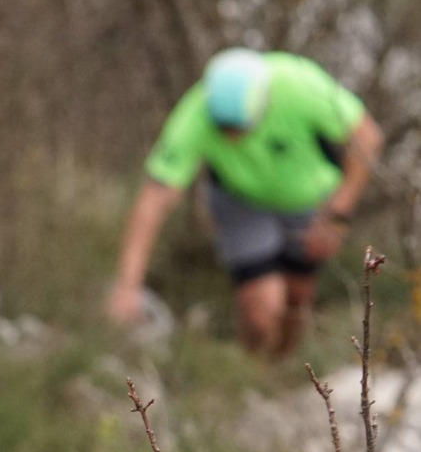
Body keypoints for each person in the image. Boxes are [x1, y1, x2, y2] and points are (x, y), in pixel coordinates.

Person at [108, 48, 383, 357]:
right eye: (223, 130)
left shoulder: (301, 86)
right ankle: (252, 366)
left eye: (240, 128)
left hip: (311, 202)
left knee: (297, 298)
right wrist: (128, 285)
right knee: (262, 307)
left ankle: (282, 367)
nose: (232, 138)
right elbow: (153, 201)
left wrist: (336, 216)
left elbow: (367, 137)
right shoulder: (195, 113)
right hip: (240, 201)